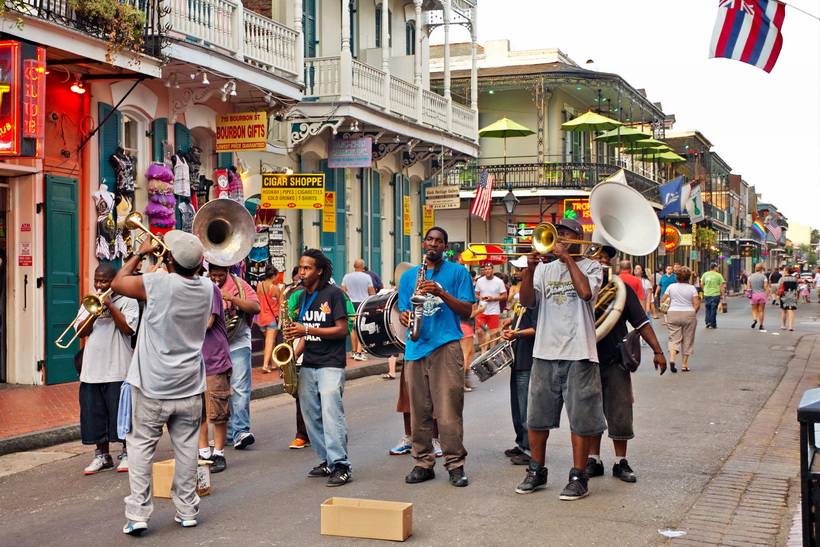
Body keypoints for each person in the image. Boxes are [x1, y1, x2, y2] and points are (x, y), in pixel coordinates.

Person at [112, 230, 213, 535]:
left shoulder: (159, 282)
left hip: (153, 385)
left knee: (141, 449)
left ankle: (139, 515)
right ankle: (187, 510)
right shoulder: (208, 288)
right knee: (186, 451)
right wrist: (166, 260)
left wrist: (141, 253)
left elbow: (118, 283)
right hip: (190, 386)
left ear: (168, 258)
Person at [515, 217, 604, 500]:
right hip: (544, 351)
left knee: (580, 420)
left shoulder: (592, 266)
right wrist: (529, 271)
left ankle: (579, 477)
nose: (558, 240)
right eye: (555, 235)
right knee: (537, 419)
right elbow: (527, 301)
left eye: (564, 235)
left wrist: (568, 259)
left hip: (580, 352)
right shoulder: (543, 269)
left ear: (577, 238)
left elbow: (585, 292)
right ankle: (536, 470)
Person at [399, 227, 475, 487]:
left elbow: (466, 310)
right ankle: (423, 463)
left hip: (446, 346)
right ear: (423, 244)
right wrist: (404, 316)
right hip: (416, 347)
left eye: (439, 241)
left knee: (448, 411)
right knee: (419, 411)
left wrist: (441, 292)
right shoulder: (409, 276)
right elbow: (404, 310)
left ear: (445, 246)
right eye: (430, 240)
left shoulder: (458, 272)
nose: (434, 244)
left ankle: (455, 464)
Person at [586, 246, 666, 483]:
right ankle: (593, 459)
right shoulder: (579, 289)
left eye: (605, 259)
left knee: (620, 412)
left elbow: (641, 322)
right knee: (590, 413)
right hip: (586, 359)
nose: (601, 262)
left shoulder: (621, 289)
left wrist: (658, 351)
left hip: (614, 359)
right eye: (596, 258)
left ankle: (621, 461)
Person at [284, 249, 352, 487]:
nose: (301, 272)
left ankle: (341, 465)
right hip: (309, 364)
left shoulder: (333, 294)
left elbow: (342, 330)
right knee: (311, 415)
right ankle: (327, 459)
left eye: (307, 268)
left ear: (319, 271)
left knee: (331, 414)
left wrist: (307, 330)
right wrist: (290, 357)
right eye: (301, 267)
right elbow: (304, 334)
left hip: (331, 364)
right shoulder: (302, 297)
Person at [77, 263, 139, 475]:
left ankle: (127, 453)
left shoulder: (128, 300)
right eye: (96, 280)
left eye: (103, 281)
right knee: (94, 415)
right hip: (92, 369)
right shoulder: (90, 301)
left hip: (118, 369)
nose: (99, 285)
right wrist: (94, 311)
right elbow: (80, 332)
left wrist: (111, 306)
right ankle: (102, 456)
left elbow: (128, 329)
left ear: (114, 281)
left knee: (121, 415)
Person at [208, 264, 261, 450]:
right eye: (213, 275)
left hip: (237, 341)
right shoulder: (205, 286)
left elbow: (255, 308)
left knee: (240, 387)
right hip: (215, 345)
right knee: (220, 390)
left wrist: (232, 298)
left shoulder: (240, 285)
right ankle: (228, 434)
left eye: (220, 275)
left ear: (227, 272)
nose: (216, 279)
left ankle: (241, 431)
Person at [197, 271, 233, 474]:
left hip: (214, 358)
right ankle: (203, 452)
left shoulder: (208, 288)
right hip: (193, 361)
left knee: (218, 412)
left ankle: (218, 453)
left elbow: (208, 322)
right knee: (197, 411)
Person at [500, 305, 537, 466]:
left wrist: (518, 333)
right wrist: (512, 321)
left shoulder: (535, 298)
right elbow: (524, 318)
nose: (515, 277)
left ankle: (530, 450)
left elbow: (540, 327)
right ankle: (522, 444)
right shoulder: (522, 299)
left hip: (528, 360)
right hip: (517, 359)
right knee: (517, 408)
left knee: (526, 409)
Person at [660, 266, 700, 373]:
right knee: (688, 339)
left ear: (677, 276)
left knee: (673, 338)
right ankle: (684, 365)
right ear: (688, 277)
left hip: (673, 313)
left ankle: (672, 360)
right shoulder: (692, 288)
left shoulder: (671, 287)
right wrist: (693, 313)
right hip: (688, 313)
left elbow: (662, 299)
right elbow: (697, 304)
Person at [341, 258, 375, 361]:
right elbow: (371, 292)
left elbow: (343, 291)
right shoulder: (367, 277)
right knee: (361, 328)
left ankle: (354, 350)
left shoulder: (347, 277)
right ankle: (359, 353)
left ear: (354, 266)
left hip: (351, 303)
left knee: (352, 328)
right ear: (363, 267)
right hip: (362, 304)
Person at [474, 263, 507, 352]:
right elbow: (476, 294)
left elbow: (504, 296)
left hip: (494, 310)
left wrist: (494, 299)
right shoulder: (480, 281)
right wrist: (480, 297)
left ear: (492, 270)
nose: (487, 271)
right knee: (480, 331)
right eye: (486, 269)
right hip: (482, 309)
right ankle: (483, 350)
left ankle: (491, 351)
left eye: (489, 269)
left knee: (493, 332)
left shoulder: (498, 281)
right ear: (483, 270)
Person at [256, 265, 282, 374]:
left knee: (269, 342)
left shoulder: (259, 285)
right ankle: (265, 365)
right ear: (273, 276)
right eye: (276, 276)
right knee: (270, 342)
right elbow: (281, 304)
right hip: (272, 318)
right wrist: (280, 321)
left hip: (261, 318)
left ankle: (274, 363)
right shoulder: (275, 288)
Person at [700, 263, 726, 329]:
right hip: (715, 294)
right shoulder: (719, 275)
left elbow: (702, 283)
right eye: (717, 267)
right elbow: (721, 285)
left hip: (707, 294)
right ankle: (713, 323)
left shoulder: (705, 274)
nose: (718, 268)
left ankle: (707, 322)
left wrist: (704, 289)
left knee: (708, 308)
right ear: (715, 268)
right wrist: (723, 294)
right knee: (713, 309)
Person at [747, 263, 769, 331]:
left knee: (754, 309)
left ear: (755, 268)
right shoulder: (764, 277)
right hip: (762, 294)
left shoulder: (750, 277)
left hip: (753, 294)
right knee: (761, 311)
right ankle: (761, 325)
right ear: (762, 268)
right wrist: (768, 295)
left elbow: (748, 286)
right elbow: (766, 287)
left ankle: (754, 319)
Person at [779, 266, 799, 331]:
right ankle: (791, 326)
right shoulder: (795, 279)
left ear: (786, 271)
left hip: (784, 296)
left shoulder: (782, 279)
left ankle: (784, 325)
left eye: (784, 270)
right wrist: (797, 297)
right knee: (791, 310)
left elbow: (779, 287)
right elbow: (797, 288)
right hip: (792, 295)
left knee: (784, 311)